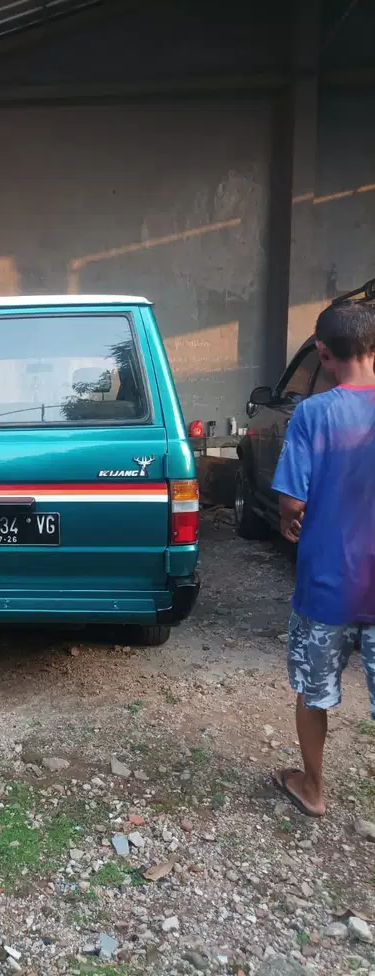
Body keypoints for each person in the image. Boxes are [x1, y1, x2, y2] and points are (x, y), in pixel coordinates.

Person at [271, 299, 375, 817]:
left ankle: (313, 790)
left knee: (314, 693)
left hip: (327, 586)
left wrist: (290, 520)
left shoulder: (313, 413)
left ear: (322, 351)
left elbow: (292, 500)